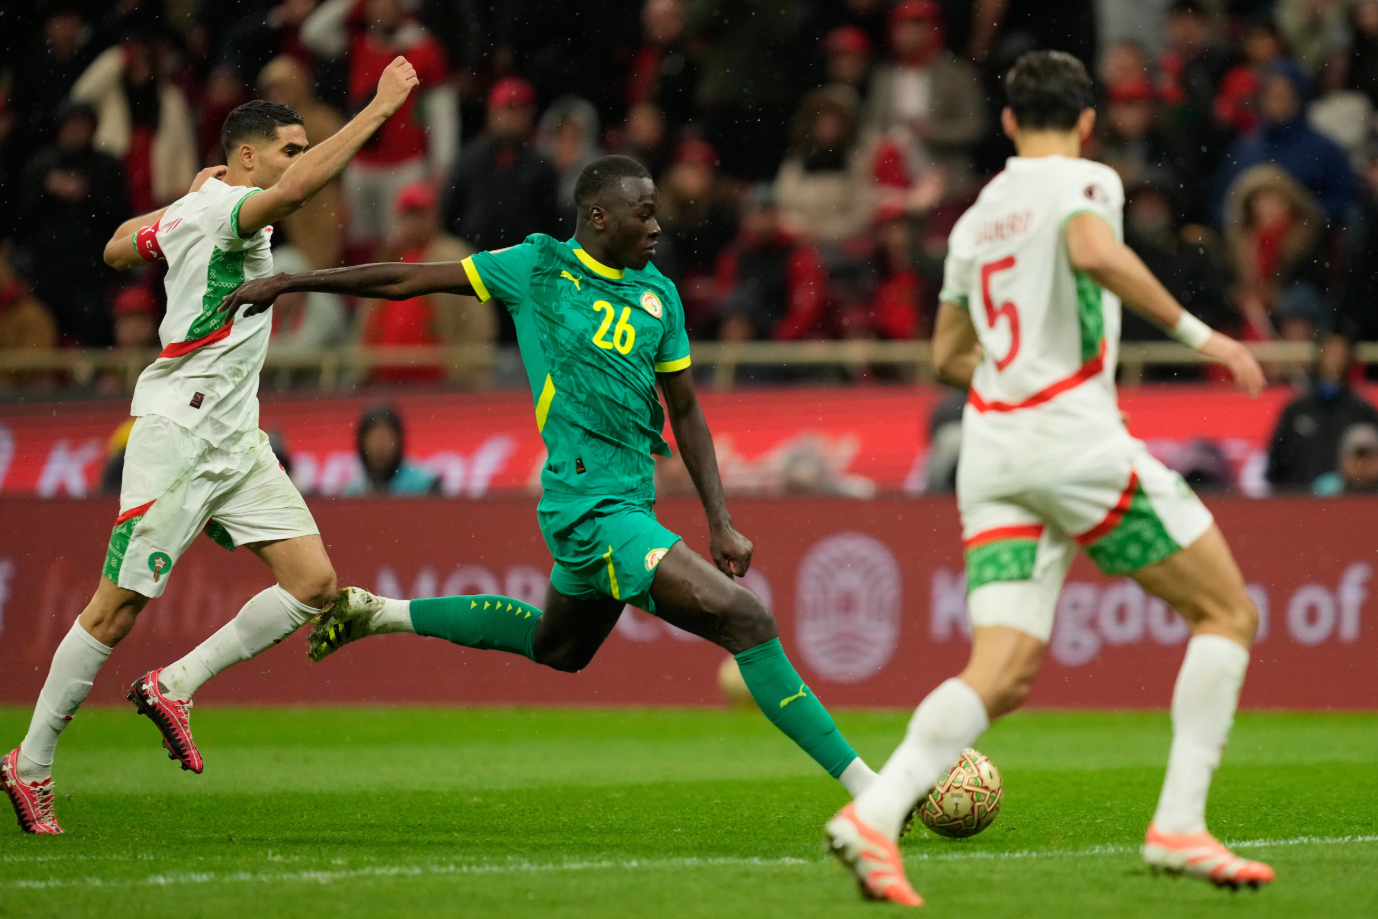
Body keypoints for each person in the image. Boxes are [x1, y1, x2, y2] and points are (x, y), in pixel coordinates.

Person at [219, 154, 886, 815]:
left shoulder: (659, 295)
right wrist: (292, 281)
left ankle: (378, 612)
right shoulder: (536, 267)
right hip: (590, 509)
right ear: (600, 217)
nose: (657, 226)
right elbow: (406, 279)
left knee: (558, 647)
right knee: (748, 619)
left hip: (629, 503)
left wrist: (720, 520)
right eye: (643, 213)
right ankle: (873, 791)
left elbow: (685, 408)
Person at [824, 51, 1273, 905]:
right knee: (1227, 612)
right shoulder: (1085, 180)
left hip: (992, 452)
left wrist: (1014, 374)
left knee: (1002, 672)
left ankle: (875, 814)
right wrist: (1203, 335)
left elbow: (947, 354)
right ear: (1087, 122)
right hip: (1071, 438)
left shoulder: (976, 217)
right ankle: (1180, 824)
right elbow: (1093, 249)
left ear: (1005, 122)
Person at [0, 59, 420, 836]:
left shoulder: (207, 205)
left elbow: (117, 249)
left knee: (313, 582)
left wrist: (184, 202)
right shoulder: (231, 208)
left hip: (234, 437)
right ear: (248, 158)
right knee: (115, 609)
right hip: (180, 436)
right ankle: (29, 761)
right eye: (290, 149)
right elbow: (295, 193)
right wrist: (376, 110)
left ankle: (174, 684)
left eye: (304, 148)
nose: (300, 162)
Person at [1266, 334, 1378, 490]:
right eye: (1329, 353)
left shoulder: (1363, 412)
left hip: (1350, 500)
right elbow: (1275, 466)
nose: (1334, 361)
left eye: (1340, 355)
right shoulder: (1296, 411)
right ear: (1319, 357)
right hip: (1301, 499)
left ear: (1349, 360)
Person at [343, 404, 439, 495]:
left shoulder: (425, 485)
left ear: (398, 440)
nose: (380, 445)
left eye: (386, 438)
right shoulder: (354, 491)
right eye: (374, 438)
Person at [1312, 422, 1378, 495]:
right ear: (1342, 460)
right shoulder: (1325, 488)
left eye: (1368, 458)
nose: (1362, 465)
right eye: (1356, 458)